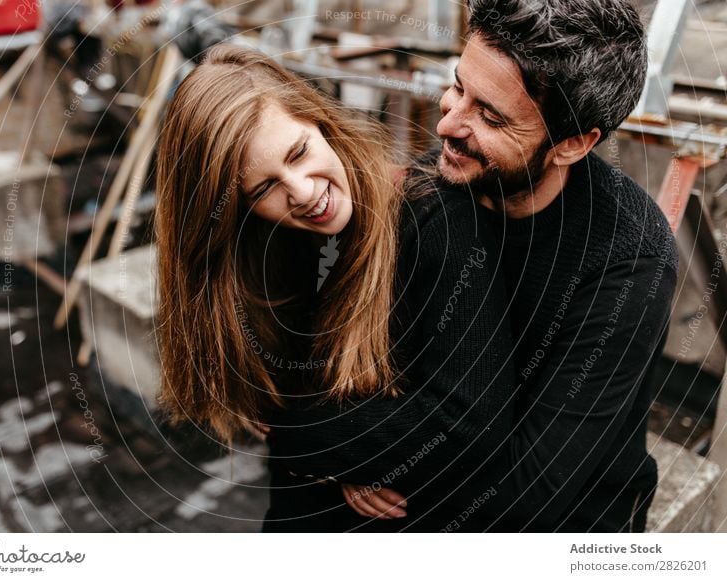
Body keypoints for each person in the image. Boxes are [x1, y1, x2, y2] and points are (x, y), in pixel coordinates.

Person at [268, 0, 678, 532]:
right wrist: (351, 453)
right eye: (458, 86)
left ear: (573, 145)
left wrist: (348, 450)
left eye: (490, 116)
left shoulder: (629, 263)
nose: (448, 121)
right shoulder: (432, 188)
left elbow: (531, 494)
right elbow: (362, 366)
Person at [153, 44, 515, 532]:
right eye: (263, 189)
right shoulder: (264, 251)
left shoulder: (435, 218)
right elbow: (270, 391)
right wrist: (341, 457)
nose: (302, 192)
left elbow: (465, 423)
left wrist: (315, 445)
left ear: (319, 118)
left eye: (299, 152)